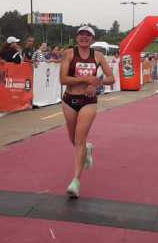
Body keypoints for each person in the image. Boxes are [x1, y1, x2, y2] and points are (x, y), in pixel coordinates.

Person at [59, 26, 115, 199]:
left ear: (92, 39)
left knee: (80, 139)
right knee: (73, 141)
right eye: (81, 35)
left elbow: (111, 78)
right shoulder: (69, 54)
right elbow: (63, 79)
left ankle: (75, 181)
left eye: (88, 35)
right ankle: (88, 150)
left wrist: (97, 82)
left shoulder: (98, 56)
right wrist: (85, 79)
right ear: (77, 38)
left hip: (88, 101)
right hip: (69, 100)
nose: (84, 37)